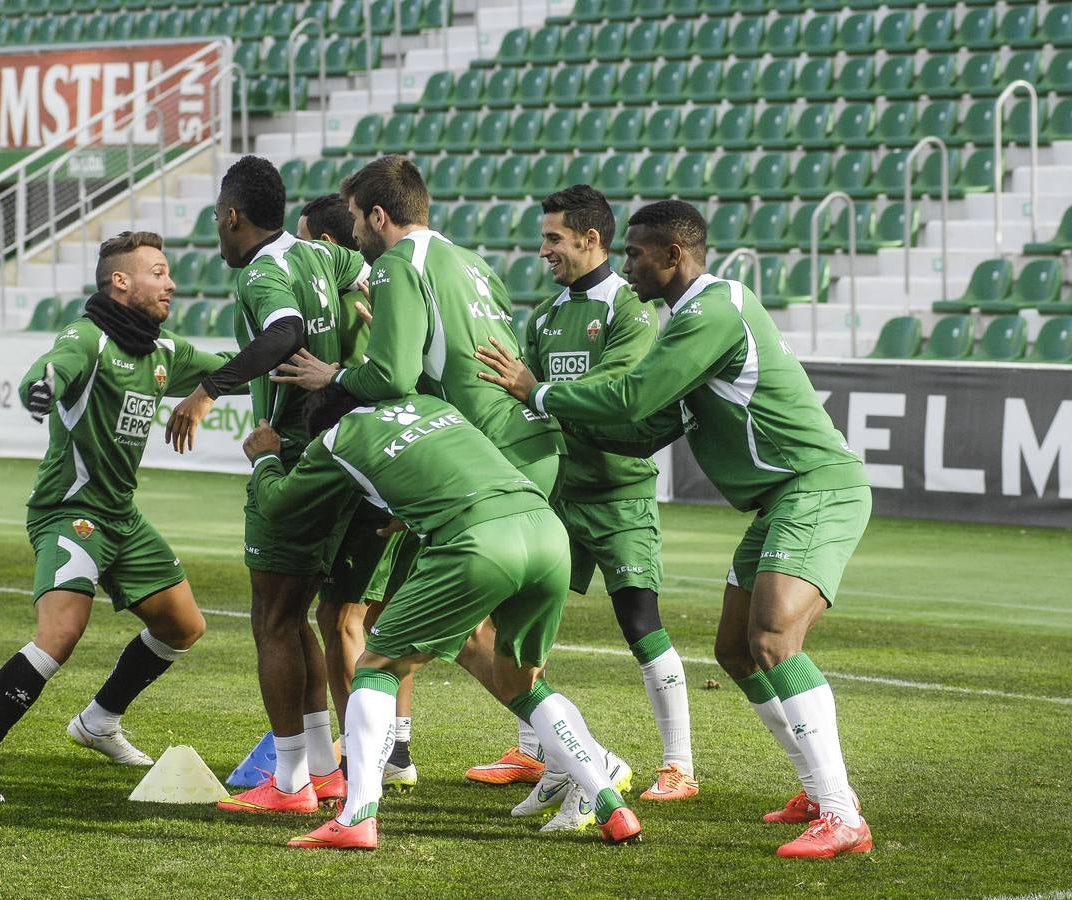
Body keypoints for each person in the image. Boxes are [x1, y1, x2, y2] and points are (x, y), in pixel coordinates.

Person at [477, 200, 875, 859]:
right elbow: (643, 430)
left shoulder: (714, 309)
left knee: (773, 637)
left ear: (673, 257)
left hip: (814, 488)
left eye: (635, 254)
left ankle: (840, 813)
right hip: (779, 501)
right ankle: (815, 788)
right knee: (735, 649)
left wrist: (537, 393)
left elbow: (632, 401)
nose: (626, 263)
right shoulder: (686, 323)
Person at [273, 155, 581, 794]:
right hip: (524, 445)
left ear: (379, 217)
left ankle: (575, 763)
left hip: (480, 457)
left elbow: (392, 377)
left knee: (436, 627)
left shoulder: (395, 266)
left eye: (357, 219)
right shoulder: (472, 261)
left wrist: (332, 376)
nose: (355, 233)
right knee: (465, 627)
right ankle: (544, 757)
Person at [242, 386, 642, 850]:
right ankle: (611, 803)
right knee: (523, 684)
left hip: (477, 540)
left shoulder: (336, 438)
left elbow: (278, 508)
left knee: (376, 669)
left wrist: (265, 458)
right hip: (546, 530)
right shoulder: (434, 405)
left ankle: (357, 817)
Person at [0, 231, 229, 802]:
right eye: (158, 272)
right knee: (61, 634)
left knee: (184, 627)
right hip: (69, 512)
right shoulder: (89, 337)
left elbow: (236, 367)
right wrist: (40, 389)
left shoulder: (164, 351)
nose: (171, 282)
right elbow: (51, 368)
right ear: (121, 280)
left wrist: (290, 366)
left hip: (121, 515)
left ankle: (97, 722)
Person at [164, 157, 368, 815]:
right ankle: (318, 766)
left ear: (230, 216)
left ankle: (287, 786)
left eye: (218, 221)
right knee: (302, 615)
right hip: (342, 457)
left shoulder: (264, 272)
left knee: (273, 620)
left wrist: (205, 390)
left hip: (296, 461)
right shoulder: (322, 257)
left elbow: (283, 332)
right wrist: (353, 358)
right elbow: (374, 277)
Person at [499, 186, 696, 830]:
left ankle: (678, 764)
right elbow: (520, 399)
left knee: (640, 622)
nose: (543, 249)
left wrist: (540, 391)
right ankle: (543, 755)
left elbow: (622, 394)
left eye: (554, 237)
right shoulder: (545, 314)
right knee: (525, 621)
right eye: (544, 236)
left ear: (591, 238)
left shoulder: (630, 310)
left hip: (619, 493)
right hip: (557, 490)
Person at [296, 193, 418, 788]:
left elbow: (382, 381)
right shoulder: (389, 299)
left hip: (375, 482)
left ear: (327, 246)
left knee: (341, 615)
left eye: (307, 242)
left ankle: (369, 759)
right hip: (404, 477)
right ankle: (395, 746)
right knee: (376, 617)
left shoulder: (360, 306)